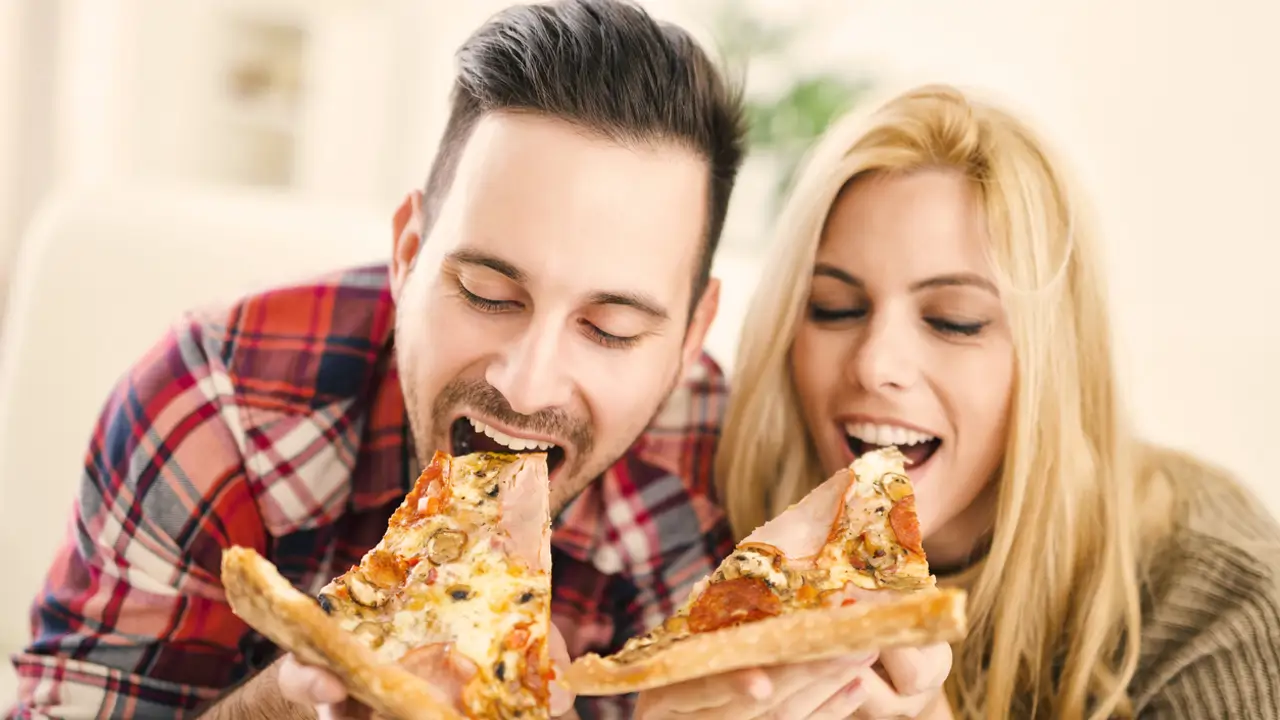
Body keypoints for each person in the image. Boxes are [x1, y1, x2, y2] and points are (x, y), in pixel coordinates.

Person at [7, 1, 747, 718]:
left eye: (611, 329)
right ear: (409, 254)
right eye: (488, 293)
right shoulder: (212, 409)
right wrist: (287, 707)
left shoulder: (719, 467)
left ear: (691, 335)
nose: (526, 385)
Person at [635, 84, 1280, 719]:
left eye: (954, 320)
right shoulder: (706, 518)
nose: (876, 364)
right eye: (836, 308)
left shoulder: (1222, 604)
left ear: (1055, 361)